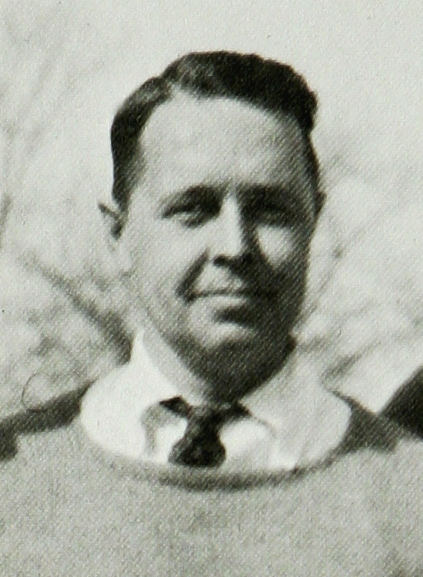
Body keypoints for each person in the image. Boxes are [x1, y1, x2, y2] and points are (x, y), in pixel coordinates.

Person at [1, 51, 423, 576]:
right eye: (193, 209)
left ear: (314, 223)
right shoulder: (13, 485)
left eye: (271, 210)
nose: (234, 246)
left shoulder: (409, 498)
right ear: (118, 235)